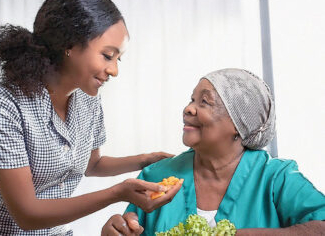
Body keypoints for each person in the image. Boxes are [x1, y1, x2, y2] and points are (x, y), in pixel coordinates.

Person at [0, 0, 182, 235]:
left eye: (119, 59)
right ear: (68, 44)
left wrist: (146, 160)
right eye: (107, 56)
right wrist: (118, 192)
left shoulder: (88, 98)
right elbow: (27, 214)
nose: (114, 70)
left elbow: (92, 164)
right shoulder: (1, 103)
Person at [102, 68, 325, 236]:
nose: (188, 108)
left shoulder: (276, 177)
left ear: (240, 124)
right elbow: (130, 227)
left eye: (205, 102)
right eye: (192, 100)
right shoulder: (155, 177)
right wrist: (119, 229)